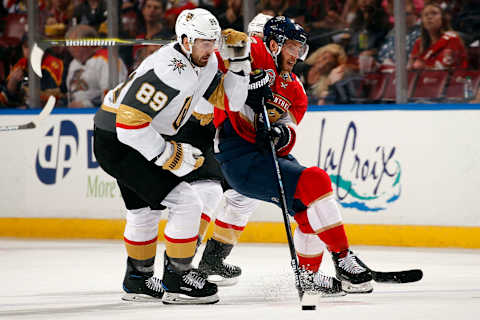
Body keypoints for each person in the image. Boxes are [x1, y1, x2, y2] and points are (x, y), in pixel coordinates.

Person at [93, 8, 251, 304]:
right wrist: (167, 154)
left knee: (144, 211)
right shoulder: (168, 68)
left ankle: (138, 281)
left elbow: (232, 100)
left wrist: (240, 58)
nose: (212, 48)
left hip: (125, 134)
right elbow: (128, 126)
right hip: (118, 138)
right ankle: (177, 280)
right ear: (185, 40)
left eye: (214, 41)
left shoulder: (207, 61)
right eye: (204, 42)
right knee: (186, 201)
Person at [209, 16, 375, 295]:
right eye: (293, 47)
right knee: (317, 180)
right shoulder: (256, 52)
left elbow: (289, 131)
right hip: (238, 156)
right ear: (274, 44)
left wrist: (281, 135)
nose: (297, 55)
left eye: (301, 49)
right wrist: (226, 42)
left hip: (266, 155)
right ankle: (343, 258)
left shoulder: (296, 90)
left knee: (307, 210)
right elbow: (221, 50)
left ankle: (308, 276)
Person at [65, 24, 128, 108]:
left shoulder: (108, 60)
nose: (70, 48)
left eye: (74, 44)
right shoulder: (73, 63)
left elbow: (113, 95)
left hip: (100, 115)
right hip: (75, 116)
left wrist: (87, 104)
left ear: (88, 43)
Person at [0, 36, 64, 108]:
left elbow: (58, 97)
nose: (29, 50)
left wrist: (26, 107)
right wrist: (12, 82)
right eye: (26, 47)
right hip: (25, 113)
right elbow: (4, 99)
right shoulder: (21, 64)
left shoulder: (53, 64)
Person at [408, 2, 468, 70]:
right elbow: (409, 68)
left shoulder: (452, 39)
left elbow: (446, 69)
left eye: (434, 13)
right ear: (422, 22)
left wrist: (424, 67)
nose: (429, 17)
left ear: (442, 19)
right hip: (423, 79)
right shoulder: (419, 42)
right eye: (425, 15)